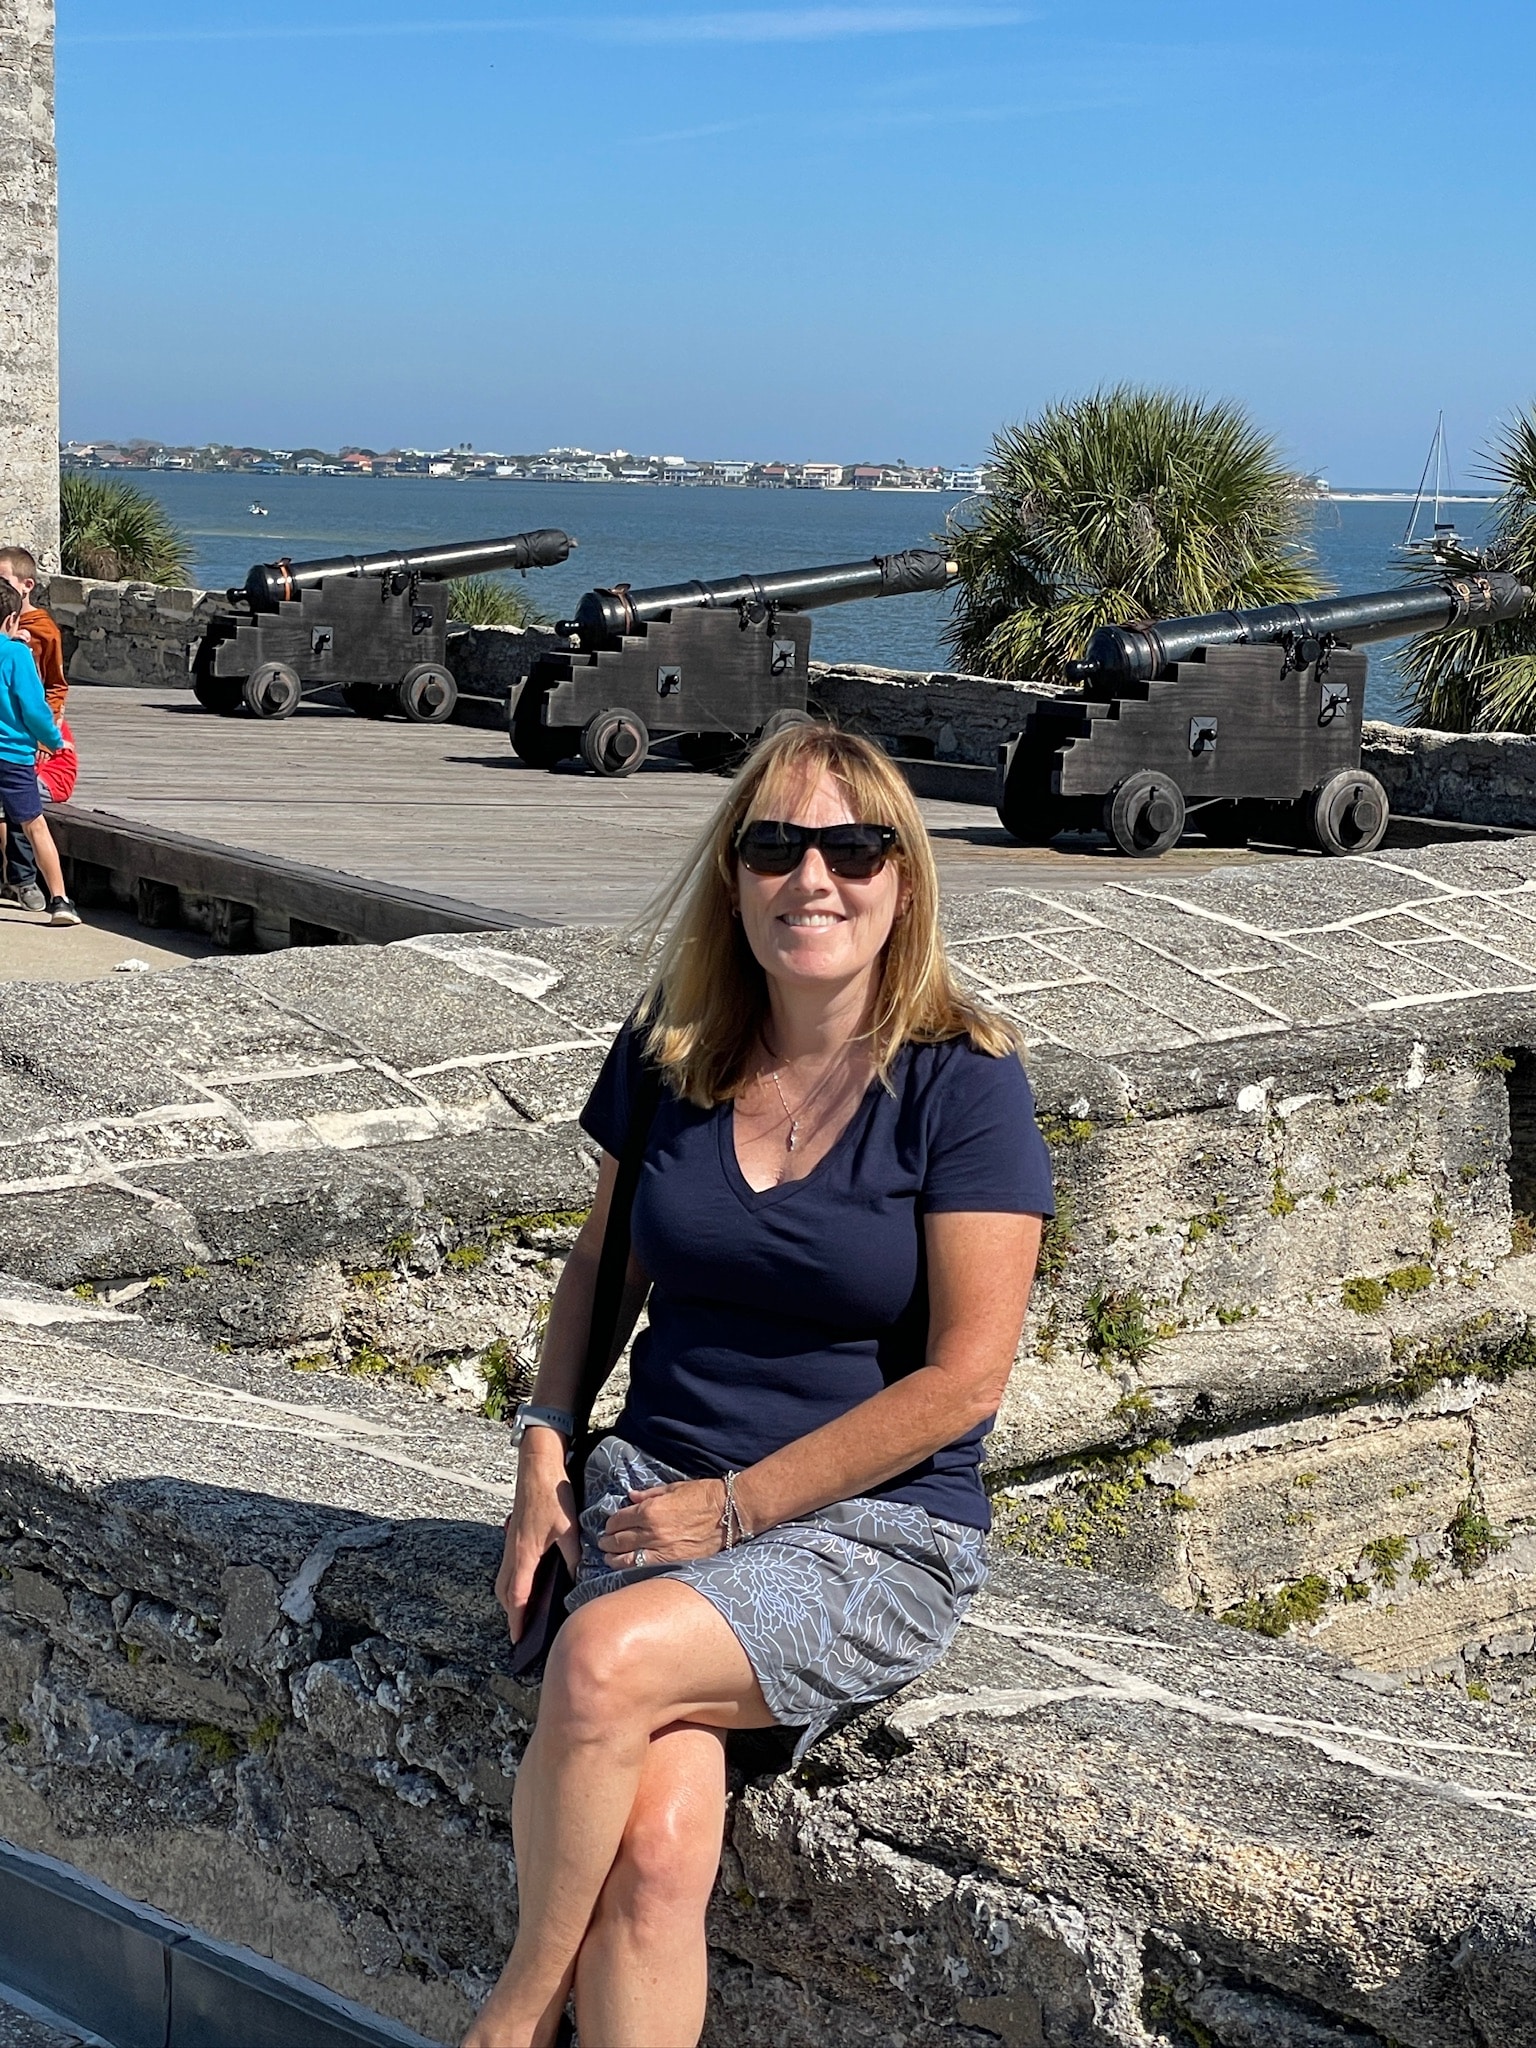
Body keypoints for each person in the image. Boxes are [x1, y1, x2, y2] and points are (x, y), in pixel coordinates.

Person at [472, 724, 1053, 2048]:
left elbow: (967, 1380)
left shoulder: (964, 1084)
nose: (816, 879)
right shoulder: (674, 1053)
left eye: (855, 849)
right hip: (649, 1495)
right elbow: (599, 1274)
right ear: (732, 876)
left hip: (871, 1532)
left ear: (904, 880)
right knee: (661, 1852)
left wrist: (738, 1510)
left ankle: (507, 2022)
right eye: (776, 847)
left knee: (610, 1660)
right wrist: (543, 1455)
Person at [0, 581, 79, 926]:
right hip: (13, 755)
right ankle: (60, 901)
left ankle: (19, 882)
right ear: (11, 621)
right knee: (34, 825)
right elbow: (33, 708)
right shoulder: (16, 655)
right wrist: (52, 739)